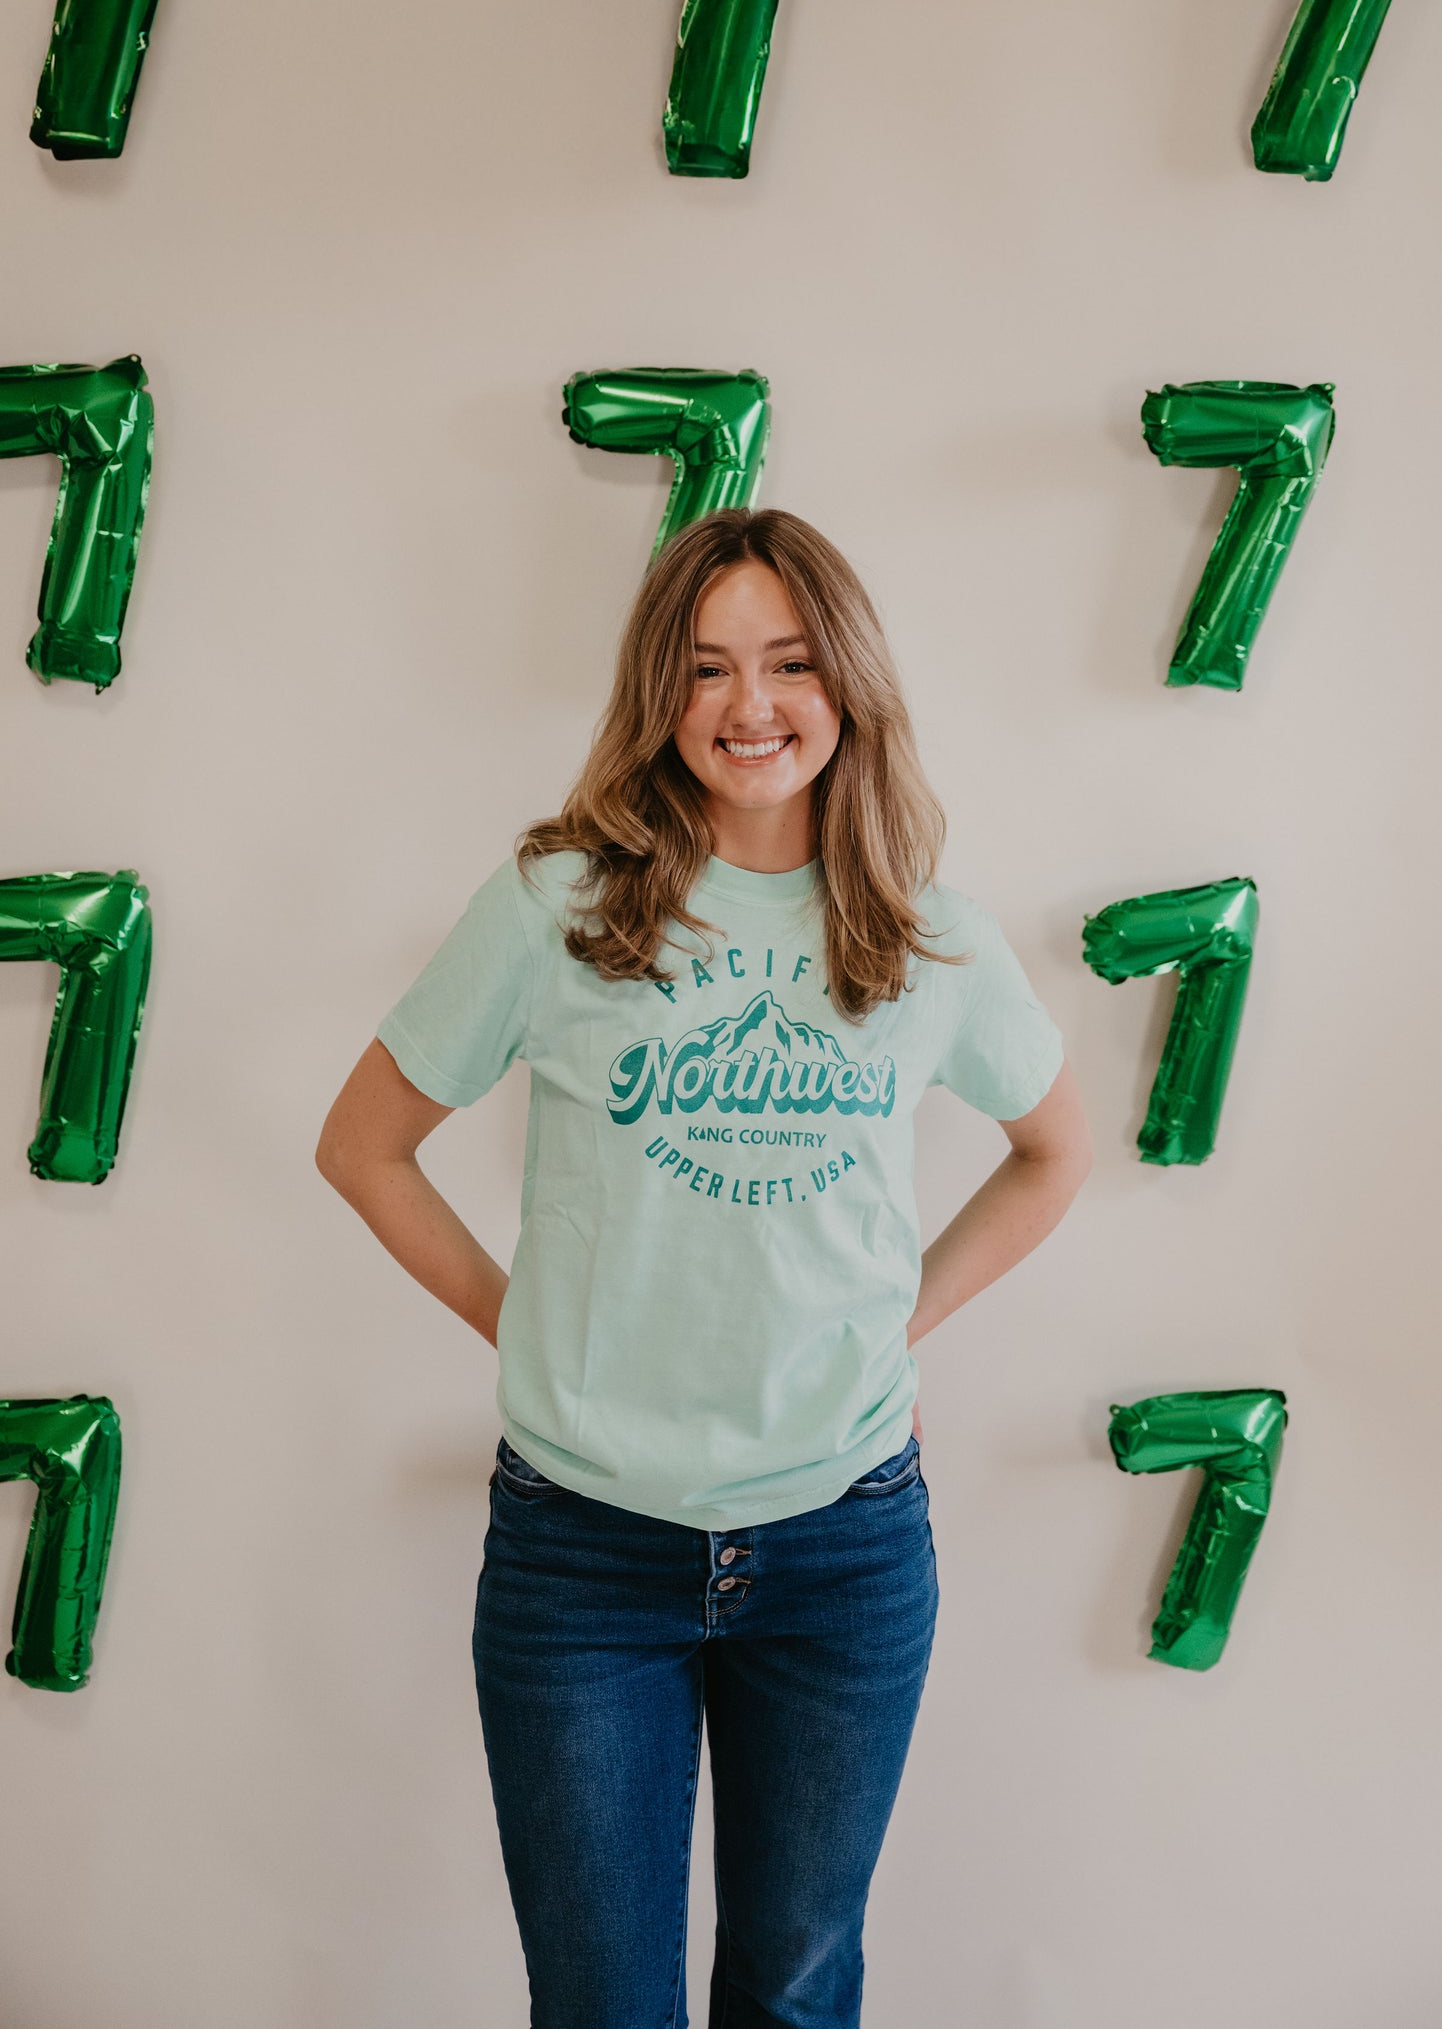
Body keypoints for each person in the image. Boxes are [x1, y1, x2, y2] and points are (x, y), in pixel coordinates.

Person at [316, 507, 1092, 2029]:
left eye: (791, 663)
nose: (751, 706)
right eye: (708, 668)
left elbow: (1056, 1150)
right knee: (602, 2005)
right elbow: (362, 1145)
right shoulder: (561, 906)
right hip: (581, 1554)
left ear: (847, 683)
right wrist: (519, 1319)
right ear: (657, 697)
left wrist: (898, 1325)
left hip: (845, 1546)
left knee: (795, 1994)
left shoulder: (930, 939)